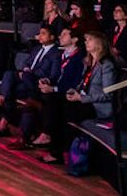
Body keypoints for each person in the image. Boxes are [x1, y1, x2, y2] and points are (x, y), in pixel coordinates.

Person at [40, 31, 116, 164]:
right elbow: (82, 84)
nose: (86, 42)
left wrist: (81, 98)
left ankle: (57, 151)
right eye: (86, 40)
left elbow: (108, 94)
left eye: (89, 40)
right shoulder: (88, 62)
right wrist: (74, 91)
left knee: (65, 112)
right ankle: (52, 142)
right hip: (83, 101)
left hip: (96, 107)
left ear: (99, 44)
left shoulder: (107, 65)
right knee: (53, 101)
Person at [0, 25, 60, 138]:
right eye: (39, 33)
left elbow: (54, 75)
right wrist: (26, 69)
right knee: (9, 76)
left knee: (10, 88)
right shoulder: (36, 49)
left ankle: (2, 120)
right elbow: (27, 63)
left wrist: (28, 75)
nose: (39, 36)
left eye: (43, 33)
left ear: (52, 37)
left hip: (36, 83)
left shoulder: (56, 53)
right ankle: (1, 108)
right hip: (25, 78)